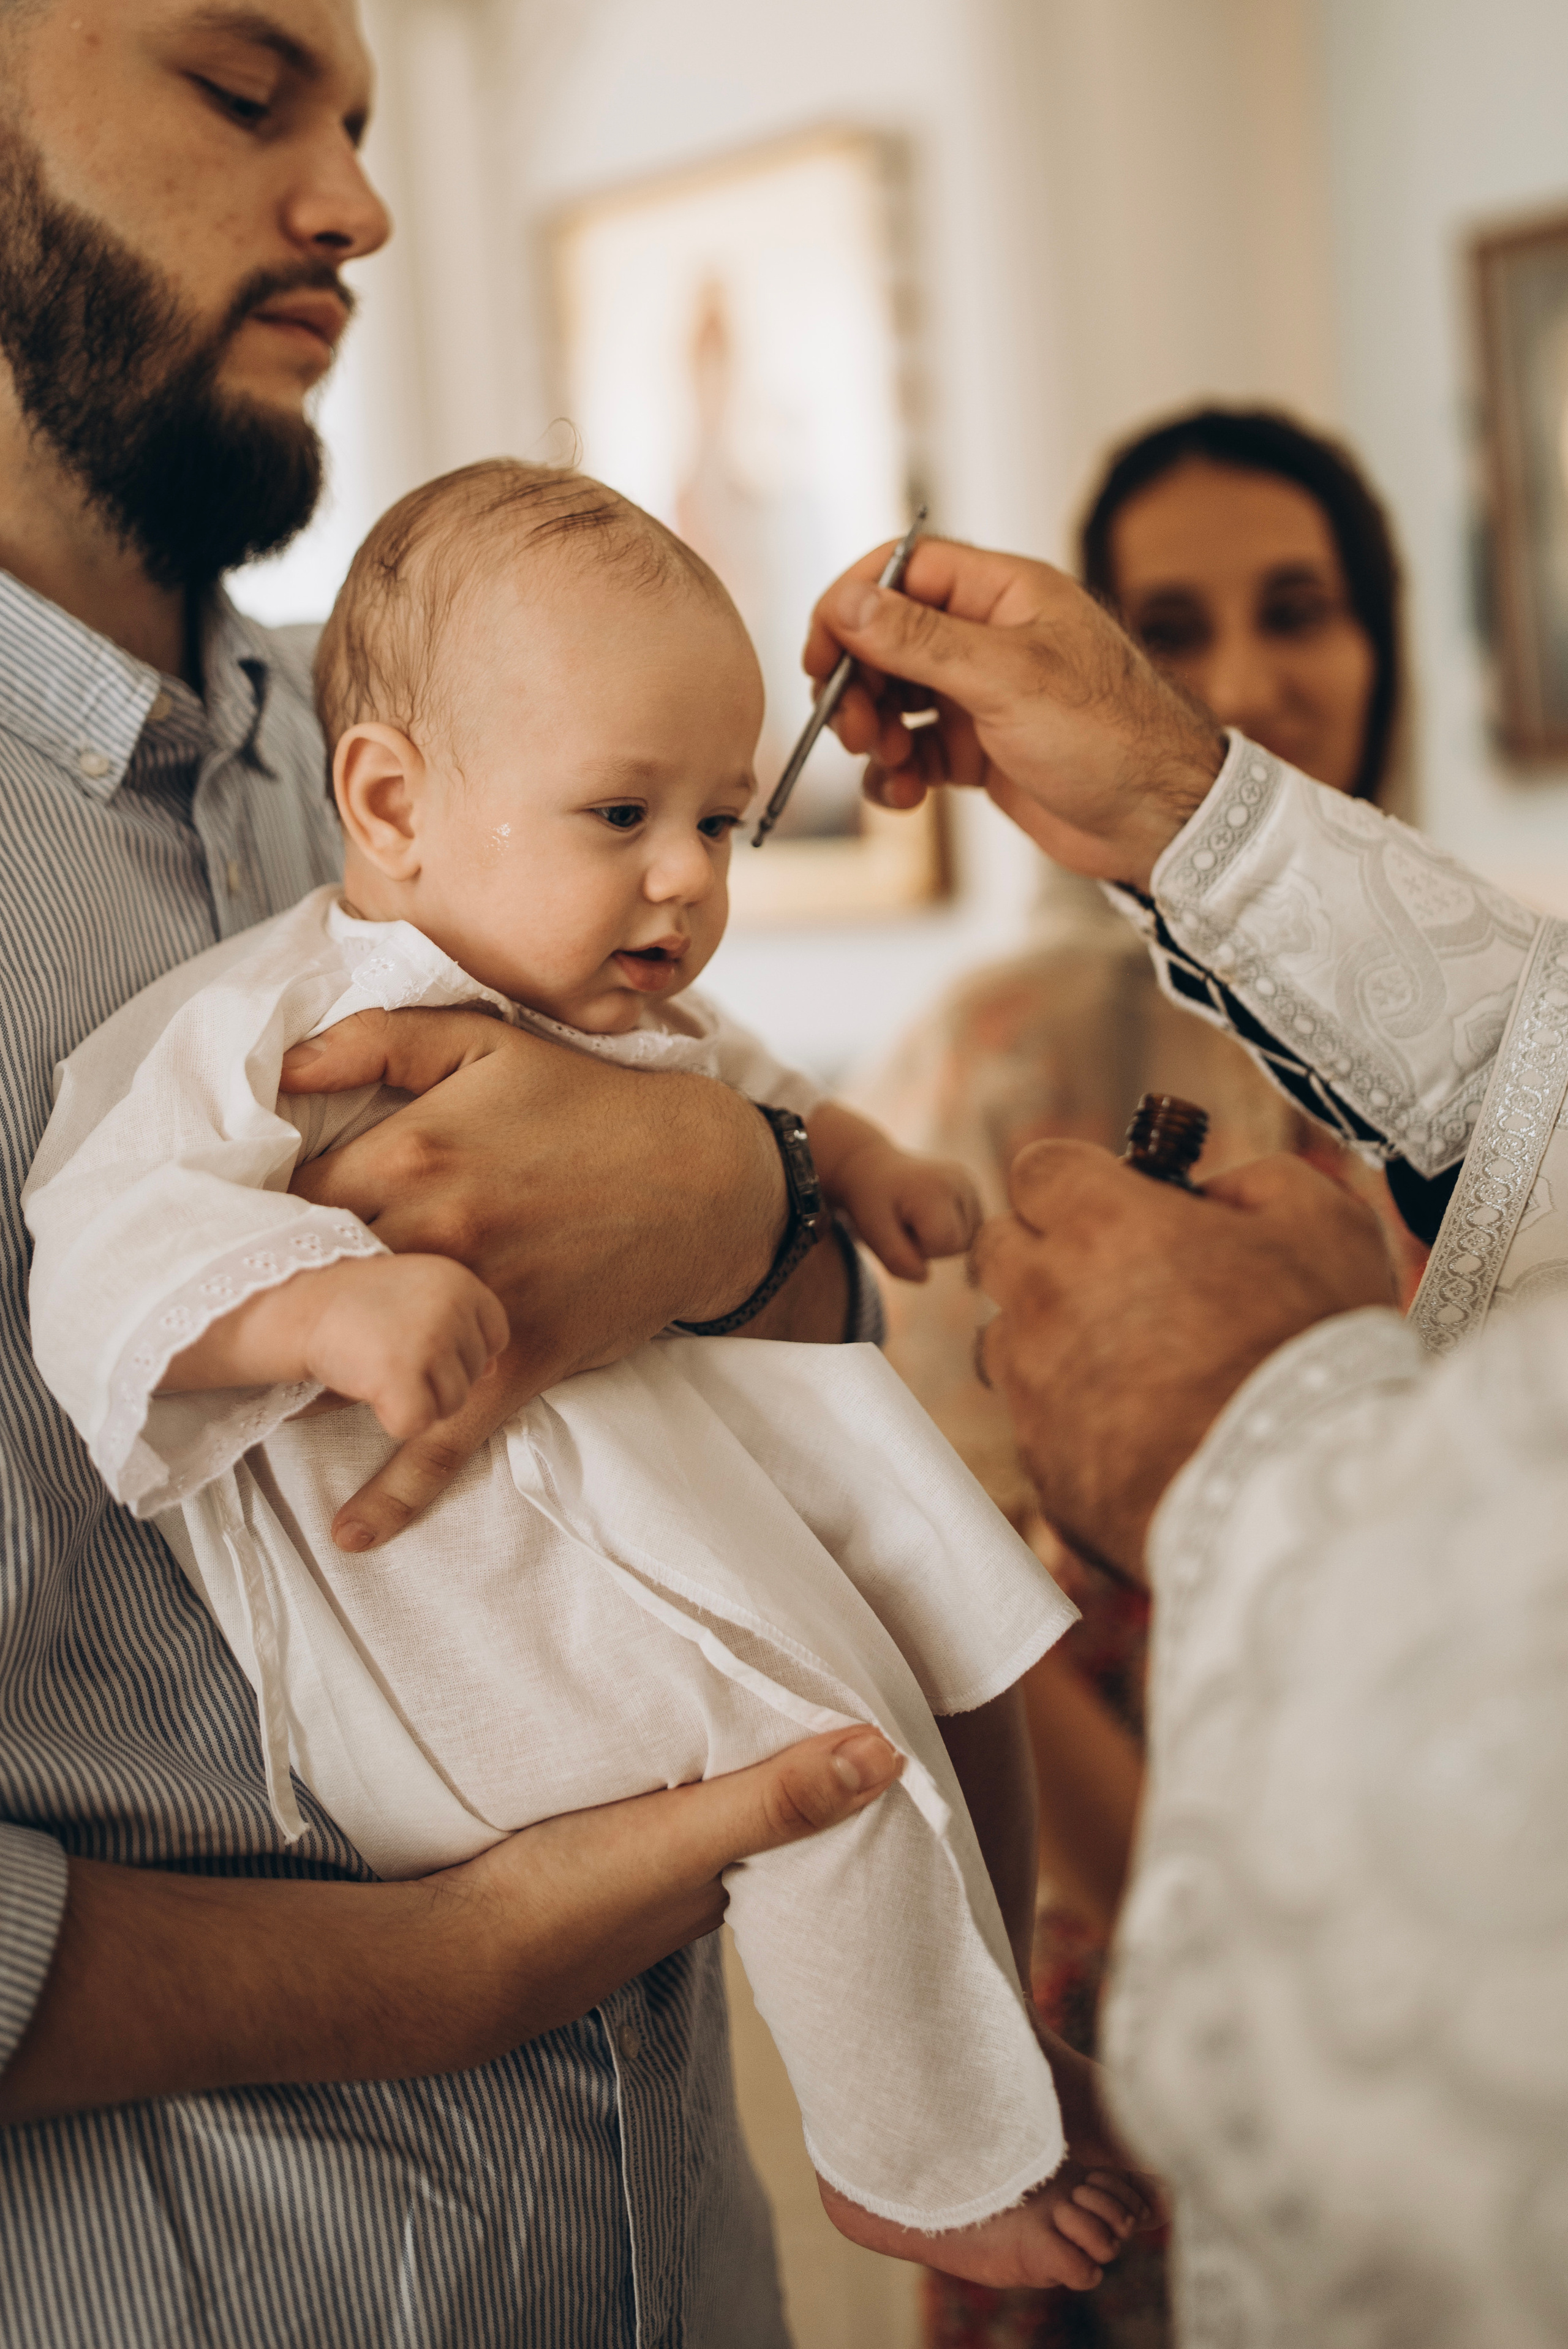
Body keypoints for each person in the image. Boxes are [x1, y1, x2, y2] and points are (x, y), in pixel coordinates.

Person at [0, 9, 916, 2342]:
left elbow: (810, 1360)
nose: (361, 206)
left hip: (684, 2260)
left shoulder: (455, 745)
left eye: (372, 124)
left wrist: (739, 1184)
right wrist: (423, 1974)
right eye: (244, 89)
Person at [26, 456, 1158, 2290]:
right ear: (389, 802)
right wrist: (315, 1306)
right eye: (625, 812)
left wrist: (840, 1158)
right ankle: (914, 2151)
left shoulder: (603, 998)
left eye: (720, 819)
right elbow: (106, 1237)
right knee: (825, 1746)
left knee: (972, 1613)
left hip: (634, 1499)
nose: (689, 879)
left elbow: (746, 1088)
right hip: (456, 1605)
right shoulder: (284, 1016)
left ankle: (998, 2024)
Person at [804, 529, 1568, 2342]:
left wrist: (1256, 1429)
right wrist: (1191, 805)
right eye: (1180, 627)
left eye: (1298, 609)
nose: (1249, 662)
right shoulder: (991, 1046)